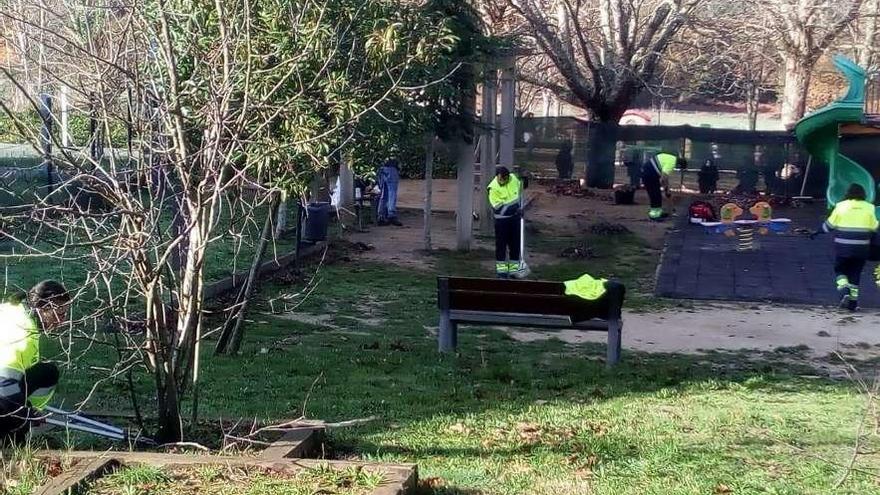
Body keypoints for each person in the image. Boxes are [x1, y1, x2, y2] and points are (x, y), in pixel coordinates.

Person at [0, 280, 70, 441]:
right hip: (3, 383)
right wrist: (24, 416)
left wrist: (31, 410)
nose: (63, 321)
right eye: (59, 314)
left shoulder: (15, 310)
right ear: (44, 308)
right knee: (16, 418)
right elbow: (4, 384)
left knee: (46, 373)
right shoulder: (22, 333)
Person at [814, 184, 878, 311]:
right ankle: (853, 304)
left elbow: (829, 225)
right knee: (855, 274)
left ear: (847, 193)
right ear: (863, 194)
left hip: (843, 247)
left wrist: (817, 232)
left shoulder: (841, 206)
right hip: (862, 248)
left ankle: (844, 291)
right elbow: (874, 228)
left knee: (840, 269)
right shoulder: (870, 208)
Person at [488, 167, 527, 278]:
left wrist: (525, 180)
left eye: (504, 179)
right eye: (499, 179)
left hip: (514, 219)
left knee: (515, 246)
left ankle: (514, 271)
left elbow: (521, 188)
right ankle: (502, 272)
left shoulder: (513, 179)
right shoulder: (493, 188)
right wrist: (515, 208)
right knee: (501, 246)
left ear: (508, 176)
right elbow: (499, 208)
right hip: (502, 221)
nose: (501, 181)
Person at [641, 151, 684, 221]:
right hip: (650, 173)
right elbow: (663, 178)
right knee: (655, 194)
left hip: (649, 170)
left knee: (655, 194)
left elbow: (664, 177)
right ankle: (654, 215)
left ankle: (657, 213)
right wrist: (666, 189)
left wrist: (667, 188)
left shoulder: (671, 158)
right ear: (679, 165)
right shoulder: (672, 163)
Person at [377, 158, 401, 226]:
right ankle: (391, 215)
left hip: (382, 168)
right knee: (392, 193)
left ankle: (381, 216)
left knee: (384, 194)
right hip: (392, 168)